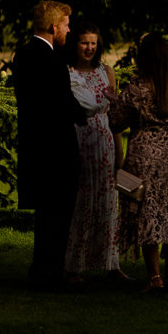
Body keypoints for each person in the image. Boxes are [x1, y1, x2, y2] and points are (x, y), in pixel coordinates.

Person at [109, 34, 168, 292]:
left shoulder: (135, 90)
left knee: (142, 210)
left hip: (140, 156)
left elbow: (115, 121)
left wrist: (112, 100)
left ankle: (154, 278)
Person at [12, 0, 89, 290]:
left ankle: (41, 271)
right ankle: (50, 274)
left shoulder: (22, 55)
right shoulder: (53, 59)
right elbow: (60, 102)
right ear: (54, 27)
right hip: (56, 150)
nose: (69, 30)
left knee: (45, 216)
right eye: (67, 25)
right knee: (57, 216)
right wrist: (84, 113)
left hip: (34, 146)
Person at [64, 22, 127, 280]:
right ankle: (74, 265)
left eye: (93, 42)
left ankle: (111, 264)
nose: (89, 48)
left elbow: (115, 115)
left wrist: (120, 153)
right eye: (83, 42)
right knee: (81, 204)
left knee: (108, 204)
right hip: (79, 139)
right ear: (75, 44)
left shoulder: (106, 72)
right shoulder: (67, 72)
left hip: (105, 141)